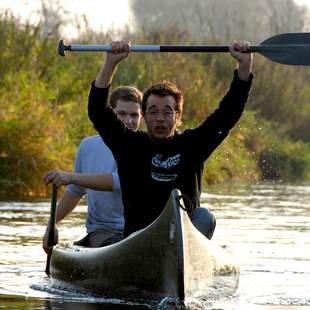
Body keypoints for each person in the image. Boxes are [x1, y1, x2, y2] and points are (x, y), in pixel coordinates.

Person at [88, 40, 253, 240]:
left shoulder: (194, 145)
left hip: (183, 239)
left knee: (204, 217)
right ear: (144, 116)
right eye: (153, 111)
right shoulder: (129, 145)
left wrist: (244, 67)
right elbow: (98, 111)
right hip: (138, 240)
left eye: (167, 112)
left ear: (178, 116)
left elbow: (228, 114)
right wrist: (110, 64)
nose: (159, 117)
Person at [42, 85, 143, 253]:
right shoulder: (88, 146)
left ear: (142, 116)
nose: (129, 121)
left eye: (134, 115)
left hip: (140, 231)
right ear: (111, 114)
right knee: (113, 244)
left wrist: (71, 177)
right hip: (103, 232)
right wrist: (51, 224)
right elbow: (75, 191)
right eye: (122, 114)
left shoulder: (145, 147)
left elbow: (120, 182)